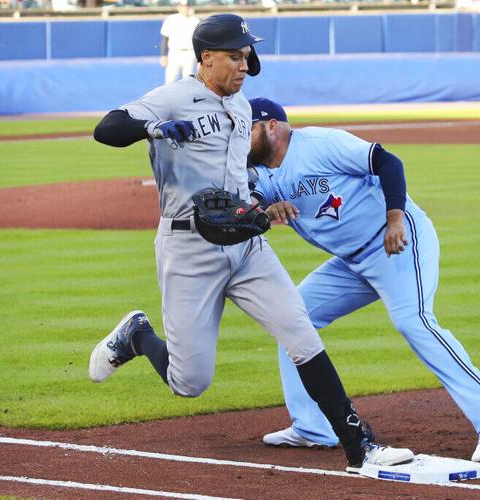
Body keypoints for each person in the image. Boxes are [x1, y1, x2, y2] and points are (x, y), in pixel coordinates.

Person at [88, 13, 413, 474]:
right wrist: (154, 128)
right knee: (190, 383)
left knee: (300, 332)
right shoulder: (172, 99)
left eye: (246, 56)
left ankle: (360, 446)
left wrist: (259, 209)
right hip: (189, 249)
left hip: (245, 244)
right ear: (205, 58)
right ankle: (137, 335)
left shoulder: (242, 109)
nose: (244, 66)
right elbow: (107, 128)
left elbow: (238, 180)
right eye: (235, 57)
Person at [246, 97, 480, 463]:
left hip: (395, 240)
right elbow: (247, 205)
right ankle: (312, 427)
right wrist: (265, 210)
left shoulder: (319, 144)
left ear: (271, 126)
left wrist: (395, 218)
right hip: (352, 261)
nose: (239, 137)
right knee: (291, 316)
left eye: (245, 128)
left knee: (414, 321)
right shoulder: (258, 170)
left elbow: (387, 161)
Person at [159, 0, 200, 85]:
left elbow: (199, 40)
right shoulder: (171, 19)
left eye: (186, 6)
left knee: (189, 82)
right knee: (170, 81)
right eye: (182, 6)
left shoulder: (195, 20)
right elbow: (165, 37)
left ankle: (188, 98)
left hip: (190, 53)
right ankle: (170, 98)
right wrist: (163, 55)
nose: (184, 8)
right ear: (178, 7)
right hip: (174, 53)